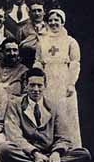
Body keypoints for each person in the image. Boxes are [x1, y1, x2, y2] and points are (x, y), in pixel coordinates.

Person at [0, 68, 90, 162]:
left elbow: (63, 137)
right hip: (27, 153)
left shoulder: (54, 106)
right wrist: (35, 153)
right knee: (4, 148)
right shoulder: (15, 105)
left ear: (45, 86)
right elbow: (14, 135)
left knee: (83, 154)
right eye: (32, 85)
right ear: (26, 86)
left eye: (40, 85)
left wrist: (57, 152)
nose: (36, 89)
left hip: (50, 155)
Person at [34, 9, 82, 147]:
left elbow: (75, 64)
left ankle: (70, 148)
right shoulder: (42, 42)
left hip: (63, 80)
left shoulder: (70, 41)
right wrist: (38, 80)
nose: (53, 23)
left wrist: (71, 83)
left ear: (62, 22)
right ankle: (50, 147)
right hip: (47, 80)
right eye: (51, 20)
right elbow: (38, 61)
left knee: (66, 114)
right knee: (48, 112)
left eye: (57, 20)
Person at [16, 0, 49, 68]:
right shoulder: (22, 30)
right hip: (28, 66)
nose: (37, 14)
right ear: (29, 13)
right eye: (34, 11)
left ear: (44, 12)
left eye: (39, 10)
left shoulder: (50, 28)